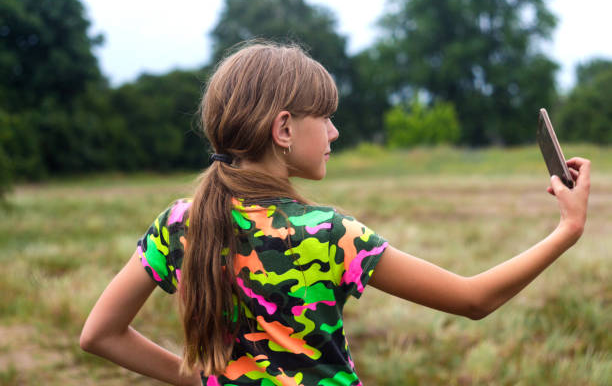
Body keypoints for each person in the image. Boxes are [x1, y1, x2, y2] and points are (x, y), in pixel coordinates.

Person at [79, 42, 591, 386]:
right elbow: (474, 300)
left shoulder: (177, 224)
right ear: (283, 129)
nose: (334, 133)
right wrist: (567, 229)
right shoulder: (330, 234)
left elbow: (98, 335)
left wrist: (199, 378)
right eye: (324, 117)